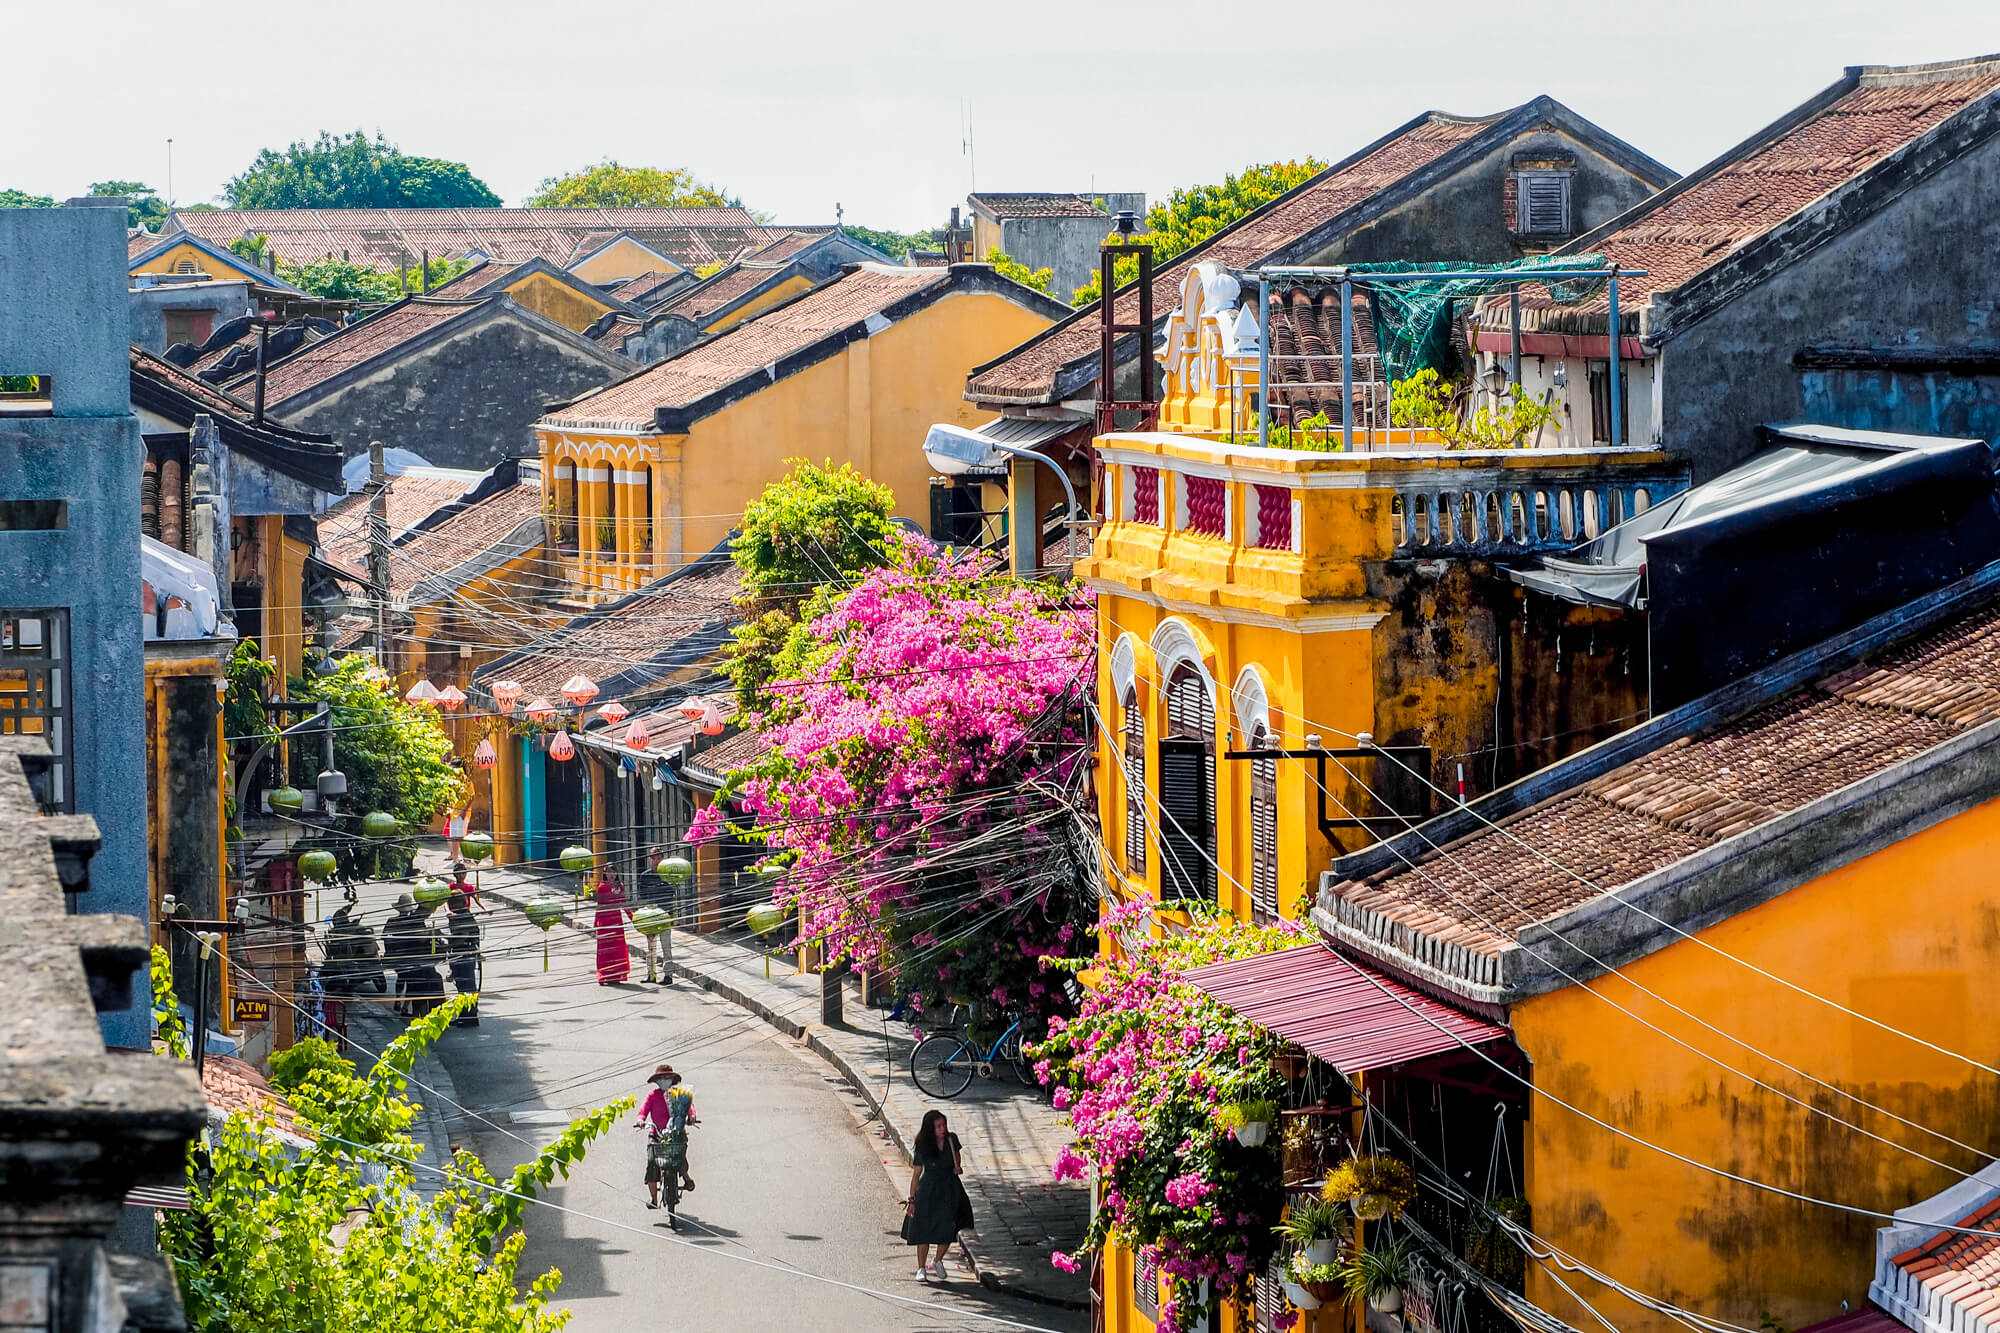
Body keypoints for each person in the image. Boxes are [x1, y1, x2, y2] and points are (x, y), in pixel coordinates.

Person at [903, 1109, 965, 1283]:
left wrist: (958, 1167)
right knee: (924, 1230)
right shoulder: (923, 1144)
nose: (942, 1129)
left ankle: (938, 1260)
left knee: (948, 1228)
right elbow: (916, 1174)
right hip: (928, 1189)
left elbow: (957, 1157)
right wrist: (912, 1200)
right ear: (930, 1129)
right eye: (938, 1126)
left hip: (949, 1188)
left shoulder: (952, 1139)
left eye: (944, 1125)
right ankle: (921, 1267)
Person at [634, 1064, 697, 1207]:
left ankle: (686, 1178)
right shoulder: (652, 1095)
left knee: (679, 1156)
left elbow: (690, 1107)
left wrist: (692, 1116)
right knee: (652, 1163)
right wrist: (641, 1120)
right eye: (661, 1078)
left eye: (667, 1078)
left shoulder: (679, 1093)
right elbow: (643, 1111)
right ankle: (654, 1199)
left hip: (676, 1134)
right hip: (656, 1134)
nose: (664, 1081)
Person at [446, 891, 481, 1027]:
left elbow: (461, 937)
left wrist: (447, 944)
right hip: (459, 954)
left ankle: (470, 1016)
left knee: (467, 987)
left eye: (453, 903)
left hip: (465, 954)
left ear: (460, 903)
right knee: (461, 987)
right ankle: (464, 1015)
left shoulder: (464, 917)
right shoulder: (458, 916)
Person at [592, 877, 632, 985]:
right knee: (605, 949)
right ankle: (604, 975)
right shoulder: (602, 887)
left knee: (617, 949)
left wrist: (632, 917)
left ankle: (616, 975)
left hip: (616, 921)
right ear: (605, 874)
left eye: (613, 872)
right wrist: (596, 922)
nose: (611, 875)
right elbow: (599, 905)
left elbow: (623, 903)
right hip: (604, 921)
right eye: (608, 872)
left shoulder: (620, 886)